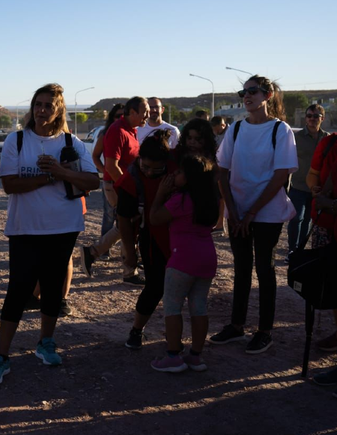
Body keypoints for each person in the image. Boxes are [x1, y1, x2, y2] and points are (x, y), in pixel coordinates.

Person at [0, 83, 98, 385]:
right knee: (18, 289)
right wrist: (48, 177)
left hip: (64, 227)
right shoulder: (16, 140)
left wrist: (61, 172)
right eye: (38, 104)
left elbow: (92, 181)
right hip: (25, 228)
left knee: (52, 288)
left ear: (59, 110)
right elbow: (9, 184)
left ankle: (46, 343)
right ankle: (1, 356)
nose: (42, 110)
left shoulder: (72, 142)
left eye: (48, 105)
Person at [208, 75, 297, 354]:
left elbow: (280, 175)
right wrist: (233, 212)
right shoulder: (235, 130)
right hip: (238, 211)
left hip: (267, 212)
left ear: (267, 96)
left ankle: (264, 331)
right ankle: (236, 326)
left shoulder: (280, 130)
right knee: (242, 268)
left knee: (265, 270)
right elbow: (221, 171)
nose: (247, 96)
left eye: (253, 91)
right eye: (243, 92)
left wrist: (251, 213)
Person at [149, 154, 219, 372]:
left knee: (172, 306)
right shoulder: (209, 198)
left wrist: (160, 193)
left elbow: (155, 218)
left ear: (188, 178)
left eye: (179, 172)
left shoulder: (180, 200)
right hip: (207, 259)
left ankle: (173, 356)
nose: (174, 174)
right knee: (198, 306)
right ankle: (196, 356)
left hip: (182, 260)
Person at [117, 130, 178, 349]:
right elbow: (123, 218)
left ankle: (175, 340)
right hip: (152, 238)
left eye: (156, 169)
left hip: (181, 237)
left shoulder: (177, 167)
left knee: (182, 288)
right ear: (139, 160)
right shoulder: (131, 178)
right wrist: (129, 253)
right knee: (155, 287)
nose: (150, 172)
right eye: (146, 167)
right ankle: (136, 330)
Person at [80, 97, 150, 286]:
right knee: (127, 226)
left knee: (126, 227)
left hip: (125, 186)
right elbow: (111, 165)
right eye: (145, 111)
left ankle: (101, 256)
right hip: (118, 187)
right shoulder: (117, 131)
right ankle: (126, 269)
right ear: (133, 112)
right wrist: (128, 189)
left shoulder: (132, 130)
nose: (148, 115)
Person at [306, 128, 337, 351]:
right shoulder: (328, 143)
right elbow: (312, 174)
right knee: (332, 283)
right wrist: (315, 188)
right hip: (326, 224)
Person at [286, 104, 328, 262]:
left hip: (318, 189)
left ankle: (301, 252)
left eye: (315, 116)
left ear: (322, 118)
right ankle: (292, 251)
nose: (312, 119)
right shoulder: (295, 137)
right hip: (298, 185)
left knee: (309, 221)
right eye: (309, 115)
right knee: (296, 218)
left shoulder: (328, 139)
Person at [175, 118, 223, 233]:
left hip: (203, 204)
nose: (192, 142)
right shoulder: (178, 154)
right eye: (189, 138)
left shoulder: (210, 156)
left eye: (197, 139)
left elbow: (218, 177)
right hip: (180, 203)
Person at [91, 103, 125, 258]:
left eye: (124, 115)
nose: (121, 118)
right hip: (111, 183)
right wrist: (105, 171)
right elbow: (95, 155)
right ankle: (103, 250)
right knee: (110, 216)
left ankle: (127, 251)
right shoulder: (106, 134)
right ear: (112, 117)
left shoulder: (131, 133)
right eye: (118, 115)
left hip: (127, 181)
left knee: (126, 217)